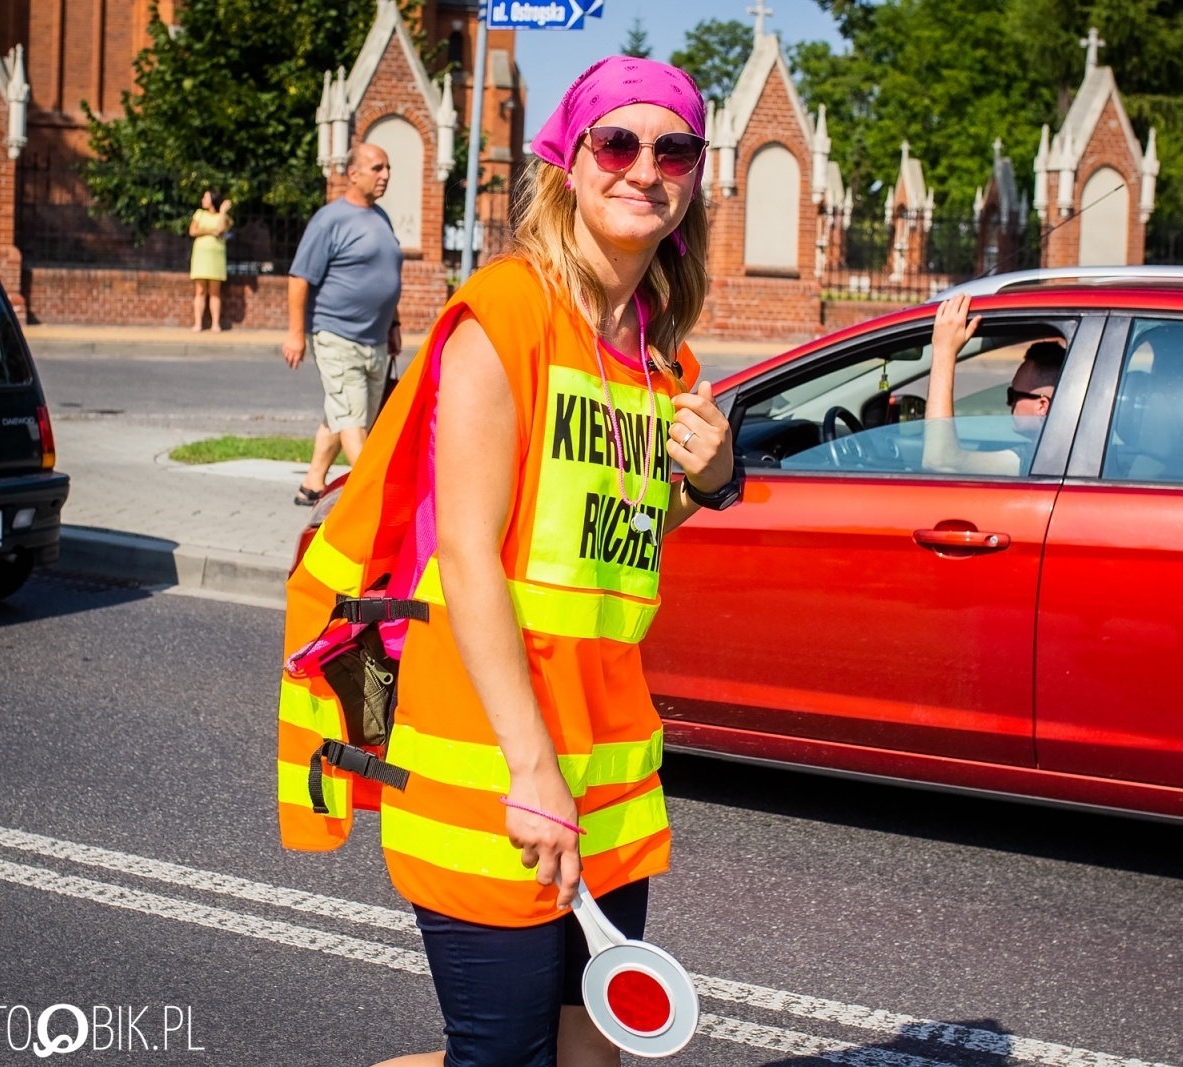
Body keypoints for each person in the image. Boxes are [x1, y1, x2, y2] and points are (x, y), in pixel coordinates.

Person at [370, 56, 736, 1067]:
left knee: (594, 1055)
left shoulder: (665, 354)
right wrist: (531, 769)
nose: (644, 168)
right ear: (567, 165)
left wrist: (707, 483)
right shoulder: (508, 312)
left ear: (696, 175)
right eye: (616, 143)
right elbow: (469, 558)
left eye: (674, 148)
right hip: (495, 763)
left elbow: (617, 548)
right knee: (503, 1058)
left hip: (608, 770)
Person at [282, 142, 404, 506]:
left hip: (376, 337)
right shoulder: (329, 220)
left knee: (346, 412)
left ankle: (311, 484)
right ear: (353, 174)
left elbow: (386, 273)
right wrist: (295, 335)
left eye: (388, 168)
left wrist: (394, 323)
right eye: (378, 168)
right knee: (353, 420)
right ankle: (376, 499)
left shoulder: (380, 217)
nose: (385, 175)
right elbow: (299, 278)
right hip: (337, 334)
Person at [923, 290, 1065, 475]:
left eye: (1013, 395)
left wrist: (944, 352)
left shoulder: (1042, 459)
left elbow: (941, 460)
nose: (1009, 404)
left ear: (1042, 406)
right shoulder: (1066, 449)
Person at [188, 191, 230, 332]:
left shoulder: (223, 217)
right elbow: (193, 231)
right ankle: (198, 323)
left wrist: (223, 212)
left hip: (216, 258)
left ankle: (215, 324)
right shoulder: (199, 214)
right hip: (201, 256)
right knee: (200, 290)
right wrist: (210, 231)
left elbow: (221, 230)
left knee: (214, 292)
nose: (203, 200)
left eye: (206, 197)